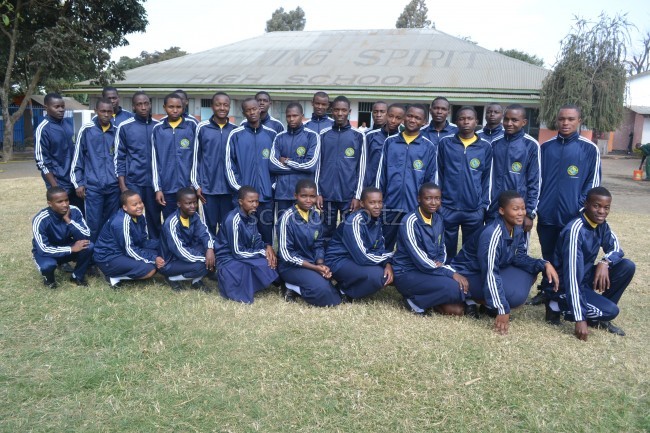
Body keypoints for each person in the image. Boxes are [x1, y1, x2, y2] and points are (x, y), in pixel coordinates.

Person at [451, 191, 559, 335]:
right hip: (468, 274)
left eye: (523, 208)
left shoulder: (517, 228)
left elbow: (519, 257)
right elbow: (490, 273)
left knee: (530, 272)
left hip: (491, 270)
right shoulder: (492, 234)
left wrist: (544, 264)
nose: (521, 213)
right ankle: (475, 300)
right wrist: (502, 308)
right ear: (502, 211)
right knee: (514, 295)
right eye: (515, 209)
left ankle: (489, 304)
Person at [531, 104, 601, 305]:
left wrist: (580, 208)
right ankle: (547, 290)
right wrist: (539, 206)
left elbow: (593, 183)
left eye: (570, 119)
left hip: (573, 215)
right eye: (562, 119)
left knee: (569, 255)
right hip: (547, 213)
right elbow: (536, 179)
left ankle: (567, 292)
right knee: (548, 253)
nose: (565, 123)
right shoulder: (545, 148)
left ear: (579, 121)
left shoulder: (589, 149)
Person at [545, 187, 635, 340]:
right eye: (596, 206)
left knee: (627, 266)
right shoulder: (575, 230)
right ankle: (556, 305)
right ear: (586, 204)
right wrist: (580, 318)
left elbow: (616, 248)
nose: (601, 211)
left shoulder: (602, 225)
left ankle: (598, 318)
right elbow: (572, 275)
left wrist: (605, 262)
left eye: (606, 207)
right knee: (611, 311)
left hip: (584, 279)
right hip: (564, 286)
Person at [392, 183, 469, 315]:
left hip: (430, 269)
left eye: (437, 198)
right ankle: (414, 302)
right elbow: (419, 258)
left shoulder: (438, 219)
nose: (433, 202)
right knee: (456, 287)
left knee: (457, 309)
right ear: (419, 199)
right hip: (407, 272)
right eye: (428, 198)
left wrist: (440, 262)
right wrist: (449, 272)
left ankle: (427, 300)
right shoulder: (409, 221)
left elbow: (442, 248)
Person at [376, 104, 437, 250]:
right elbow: (381, 174)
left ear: (424, 122)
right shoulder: (390, 142)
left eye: (417, 118)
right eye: (409, 116)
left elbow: (430, 179)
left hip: (414, 207)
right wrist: (380, 200)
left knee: (411, 246)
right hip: (390, 205)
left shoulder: (428, 147)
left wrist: (425, 205)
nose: (412, 120)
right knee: (384, 244)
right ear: (404, 118)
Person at [437, 106, 492, 261]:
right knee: (446, 249)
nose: (466, 122)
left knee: (471, 249)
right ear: (456, 121)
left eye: (469, 118)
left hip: (474, 209)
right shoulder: (445, 143)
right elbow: (438, 173)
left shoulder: (485, 146)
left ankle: (467, 272)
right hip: (448, 207)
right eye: (462, 118)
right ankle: (448, 272)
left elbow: (487, 178)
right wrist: (440, 203)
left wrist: (483, 206)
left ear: (476, 121)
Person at [276, 179, 341, 306]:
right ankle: (290, 286)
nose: (308, 200)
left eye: (312, 196)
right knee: (325, 294)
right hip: (291, 267)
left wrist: (320, 264)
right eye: (303, 196)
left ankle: (311, 282)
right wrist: (314, 268)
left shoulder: (315, 216)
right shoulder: (286, 218)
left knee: (332, 289)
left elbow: (318, 244)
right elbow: (286, 255)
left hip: (311, 262)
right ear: (296, 196)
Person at [325, 187, 393, 302]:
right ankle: (343, 291)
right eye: (372, 202)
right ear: (362, 203)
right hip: (338, 261)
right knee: (380, 275)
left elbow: (379, 248)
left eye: (380, 202)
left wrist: (388, 263)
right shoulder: (355, 221)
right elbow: (362, 257)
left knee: (394, 269)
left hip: (356, 259)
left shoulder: (376, 220)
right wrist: (390, 258)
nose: (377, 206)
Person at [225, 97, 278, 246]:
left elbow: (277, 164)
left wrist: (272, 186)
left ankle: (267, 258)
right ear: (244, 113)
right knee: (244, 233)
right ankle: (245, 257)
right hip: (244, 198)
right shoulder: (235, 134)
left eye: (254, 109)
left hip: (265, 196)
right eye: (248, 110)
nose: (252, 112)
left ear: (259, 109)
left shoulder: (271, 134)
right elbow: (229, 164)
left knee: (266, 234)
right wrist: (240, 190)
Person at [214, 186, 279, 303]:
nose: (255, 205)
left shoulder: (252, 216)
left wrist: (266, 248)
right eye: (251, 201)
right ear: (240, 202)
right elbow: (237, 252)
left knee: (272, 260)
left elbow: (256, 239)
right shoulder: (232, 220)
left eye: (256, 201)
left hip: (243, 255)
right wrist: (263, 253)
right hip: (228, 260)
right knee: (262, 264)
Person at [315, 96, 367, 241]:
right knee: (326, 231)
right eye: (336, 110)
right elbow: (318, 165)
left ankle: (344, 255)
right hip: (326, 194)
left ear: (349, 112)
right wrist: (318, 192)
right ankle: (326, 254)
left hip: (348, 195)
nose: (340, 113)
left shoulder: (358, 135)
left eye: (343, 110)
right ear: (331, 111)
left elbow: (362, 167)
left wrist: (357, 196)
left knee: (348, 231)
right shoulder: (323, 135)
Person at [71, 98, 120, 242]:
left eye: (109, 111)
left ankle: (107, 251)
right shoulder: (86, 130)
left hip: (113, 187)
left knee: (111, 222)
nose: (106, 114)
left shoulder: (117, 131)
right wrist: (78, 183)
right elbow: (77, 158)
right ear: (96, 111)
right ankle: (92, 253)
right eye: (103, 111)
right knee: (93, 223)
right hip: (93, 187)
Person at [114, 91, 162, 238]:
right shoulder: (124, 126)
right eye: (139, 104)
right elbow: (119, 157)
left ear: (150, 104)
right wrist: (123, 186)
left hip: (153, 183)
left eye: (146, 103)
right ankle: (134, 245)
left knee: (154, 218)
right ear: (133, 107)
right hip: (133, 182)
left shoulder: (158, 126)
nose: (143, 107)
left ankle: (155, 245)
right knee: (133, 218)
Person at [93, 190, 164, 288]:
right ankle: (113, 277)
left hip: (123, 251)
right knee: (150, 269)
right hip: (108, 258)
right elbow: (129, 250)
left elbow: (142, 242)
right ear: (125, 207)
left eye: (140, 202)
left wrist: (163, 244)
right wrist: (153, 259)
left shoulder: (140, 217)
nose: (139, 206)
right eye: (134, 205)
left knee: (161, 254)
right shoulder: (121, 222)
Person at [487, 104, 540, 232]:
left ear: (524, 122)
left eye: (514, 120)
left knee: (516, 244)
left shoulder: (531, 145)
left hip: (517, 211)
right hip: (494, 208)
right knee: (492, 241)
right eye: (506, 119)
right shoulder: (495, 143)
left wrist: (529, 213)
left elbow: (535, 181)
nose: (509, 123)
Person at [191, 92, 237, 237]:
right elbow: (196, 158)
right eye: (218, 105)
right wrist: (197, 185)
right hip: (208, 189)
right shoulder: (202, 127)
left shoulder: (235, 130)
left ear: (229, 107)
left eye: (225, 105)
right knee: (208, 226)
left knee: (227, 225)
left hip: (229, 189)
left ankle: (224, 250)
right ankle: (210, 249)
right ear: (212, 106)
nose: (222, 108)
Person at [32, 187, 93, 288]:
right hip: (48, 253)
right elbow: (43, 249)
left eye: (66, 200)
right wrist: (71, 249)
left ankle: (77, 276)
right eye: (59, 202)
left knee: (88, 246)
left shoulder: (74, 211)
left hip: (66, 246)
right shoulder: (40, 219)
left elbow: (86, 235)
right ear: (50, 203)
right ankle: (49, 280)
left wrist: (68, 220)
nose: (65, 204)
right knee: (47, 266)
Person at [152, 93, 198, 219]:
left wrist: (194, 185)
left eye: (178, 107)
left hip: (188, 188)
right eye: (171, 107)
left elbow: (197, 158)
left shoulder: (192, 126)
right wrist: (158, 188)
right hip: (167, 188)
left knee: (191, 222)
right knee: (170, 221)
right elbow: (154, 161)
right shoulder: (158, 129)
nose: (175, 110)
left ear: (183, 108)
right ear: (164, 107)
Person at [159, 188, 215, 292]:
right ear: (179, 204)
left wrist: (210, 249)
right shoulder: (171, 223)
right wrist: (205, 259)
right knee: (203, 265)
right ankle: (172, 278)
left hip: (187, 252)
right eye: (188, 203)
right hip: (170, 261)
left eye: (194, 202)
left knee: (214, 248)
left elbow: (205, 233)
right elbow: (180, 251)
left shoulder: (194, 215)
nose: (193, 206)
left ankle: (196, 281)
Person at [34, 93, 83, 211]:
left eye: (62, 106)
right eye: (56, 107)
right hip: (58, 180)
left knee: (79, 212)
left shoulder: (69, 124)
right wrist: (55, 187)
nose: (61, 110)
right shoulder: (43, 129)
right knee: (62, 213)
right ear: (46, 108)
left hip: (75, 180)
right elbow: (42, 162)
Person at [269, 102, 320, 215]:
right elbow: (272, 165)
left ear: (302, 116)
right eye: (288, 116)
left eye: (295, 116)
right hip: (282, 193)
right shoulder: (279, 137)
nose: (291, 119)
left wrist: (287, 161)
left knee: (304, 224)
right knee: (283, 223)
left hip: (304, 195)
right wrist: (299, 168)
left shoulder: (312, 136)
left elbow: (310, 165)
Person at [364, 103, 405, 188]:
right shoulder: (369, 136)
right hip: (371, 186)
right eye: (391, 116)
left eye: (398, 118)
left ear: (402, 120)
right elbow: (363, 163)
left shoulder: (403, 138)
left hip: (392, 187)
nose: (393, 120)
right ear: (387, 115)